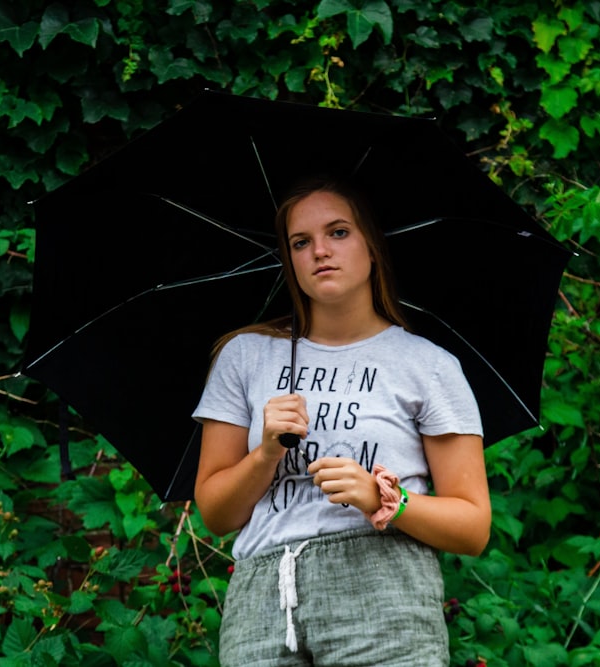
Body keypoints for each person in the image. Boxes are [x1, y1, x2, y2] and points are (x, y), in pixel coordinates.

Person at [193, 175, 491, 666]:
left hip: (385, 599)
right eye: (300, 242)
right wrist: (266, 452)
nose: (319, 252)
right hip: (262, 608)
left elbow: (473, 526)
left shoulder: (428, 365)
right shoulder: (244, 357)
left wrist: (384, 500)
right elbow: (217, 514)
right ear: (289, 260)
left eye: (338, 232)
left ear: (372, 246)